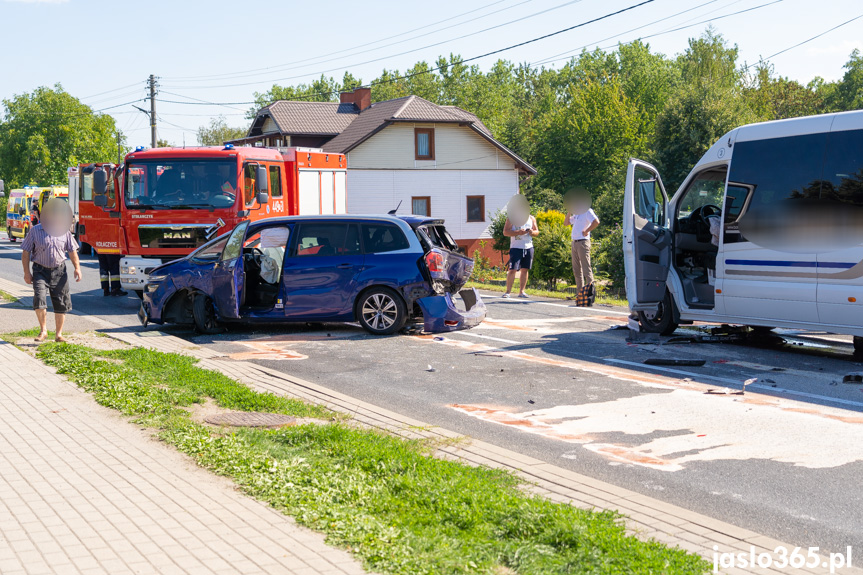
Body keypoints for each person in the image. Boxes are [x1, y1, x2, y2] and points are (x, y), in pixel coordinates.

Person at [21, 200, 82, 343]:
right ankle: (43, 331)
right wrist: (26, 272)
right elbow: (25, 252)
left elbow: (72, 251)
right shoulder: (35, 231)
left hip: (59, 271)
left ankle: (58, 334)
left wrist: (77, 268)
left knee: (61, 302)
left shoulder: (64, 231)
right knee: (40, 298)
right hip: (40, 271)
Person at [502, 213, 539, 298]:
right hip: (516, 248)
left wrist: (532, 232)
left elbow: (537, 232)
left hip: (528, 247)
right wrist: (518, 232)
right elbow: (505, 232)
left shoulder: (531, 218)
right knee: (513, 269)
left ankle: (521, 291)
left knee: (525, 270)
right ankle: (508, 292)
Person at [568, 207, 600, 292]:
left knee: (586, 268)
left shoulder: (587, 211)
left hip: (583, 242)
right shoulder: (577, 212)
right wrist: (569, 212)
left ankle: (590, 293)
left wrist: (587, 230)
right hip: (575, 242)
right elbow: (566, 223)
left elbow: (596, 222)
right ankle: (580, 293)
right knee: (577, 270)